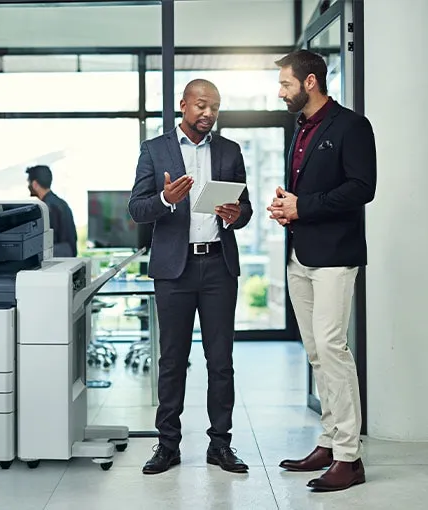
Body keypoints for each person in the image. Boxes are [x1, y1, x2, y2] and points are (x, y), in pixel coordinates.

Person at [128, 79, 252, 475]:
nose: (208, 114)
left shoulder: (230, 151)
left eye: (215, 107)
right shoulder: (154, 150)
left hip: (218, 266)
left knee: (221, 361)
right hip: (174, 271)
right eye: (201, 105)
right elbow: (136, 208)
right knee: (171, 360)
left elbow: (245, 209)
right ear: (183, 105)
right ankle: (167, 446)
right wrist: (167, 199)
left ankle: (220, 445)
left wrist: (236, 215)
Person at [267, 49, 376, 492]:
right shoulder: (301, 129)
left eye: (286, 84)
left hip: (335, 256)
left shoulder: (352, 125)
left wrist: (303, 206)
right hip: (301, 254)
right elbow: (308, 191)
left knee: (333, 349)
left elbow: (362, 188)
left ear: (310, 82)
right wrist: (287, 206)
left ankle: (350, 457)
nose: (281, 92)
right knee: (316, 352)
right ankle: (330, 441)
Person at [26, 165, 77, 257]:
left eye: (29, 183)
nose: (28, 186)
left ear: (35, 184)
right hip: (68, 260)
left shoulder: (45, 208)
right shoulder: (62, 204)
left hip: (55, 262)